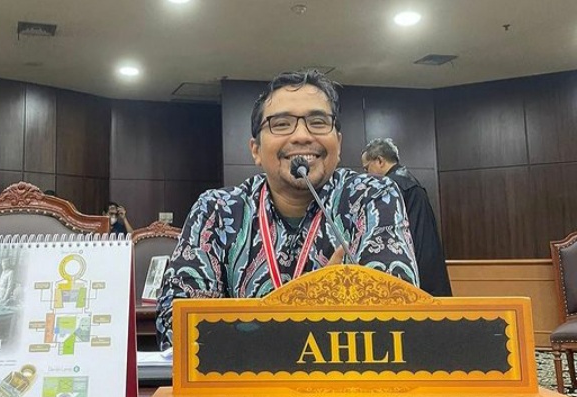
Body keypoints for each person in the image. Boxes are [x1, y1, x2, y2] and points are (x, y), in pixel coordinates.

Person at [155, 70, 419, 350]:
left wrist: (254, 328)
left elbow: (396, 314)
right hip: (245, 379)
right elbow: (177, 328)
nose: (302, 136)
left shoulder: (372, 197)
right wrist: (319, 302)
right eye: (281, 124)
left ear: (339, 144)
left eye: (318, 122)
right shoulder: (217, 210)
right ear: (255, 150)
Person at [360, 138, 452, 297]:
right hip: (429, 267)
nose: (366, 175)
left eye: (367, 168)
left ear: (380, 161)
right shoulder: (409, 181)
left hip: (411, 273)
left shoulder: (389, 189)